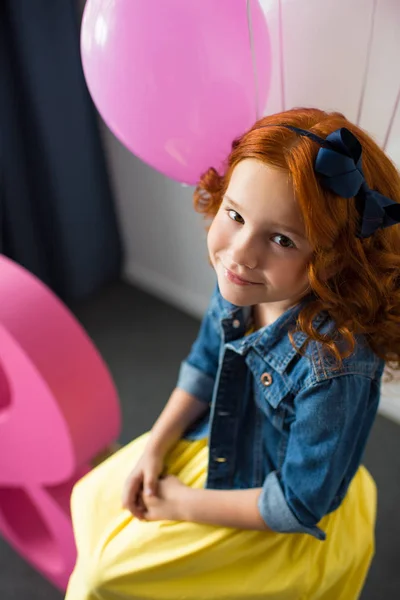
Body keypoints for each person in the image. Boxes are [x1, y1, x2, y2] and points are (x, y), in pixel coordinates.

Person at [65, 108, 400, 600]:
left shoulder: (335, 369)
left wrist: (182, 504)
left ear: (334, 257)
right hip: (224, 437)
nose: (241, 253)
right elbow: (205, 365)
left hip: (271, 507)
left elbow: (296, 505)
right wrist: (155, 444)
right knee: (90, 496)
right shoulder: (242, 284)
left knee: (102, 576)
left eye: (281, 239)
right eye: (236, 215)